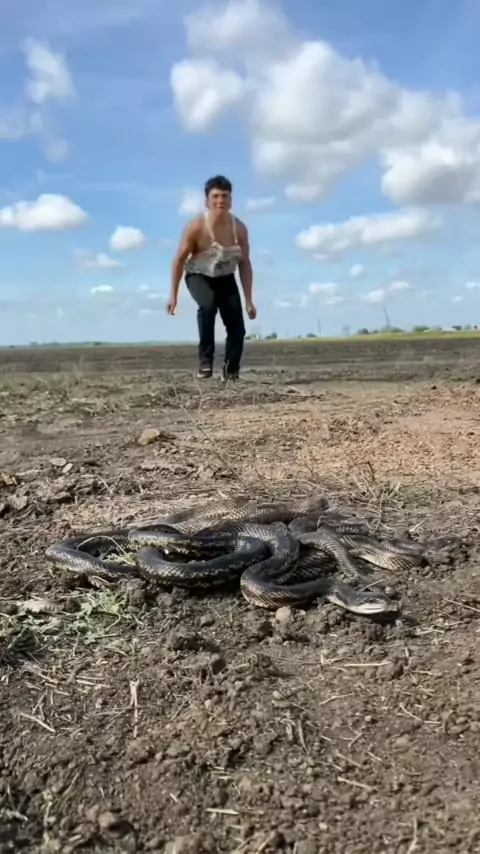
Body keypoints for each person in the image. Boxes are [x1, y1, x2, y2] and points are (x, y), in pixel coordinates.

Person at [167, 175, 257, 381]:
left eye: (225, 196)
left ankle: (231, 370)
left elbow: (245, 263)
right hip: (198, 275)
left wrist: (249, 300)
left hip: (225, 277)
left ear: (231, 200)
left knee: (237, 327)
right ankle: (205, 362)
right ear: (207, 201)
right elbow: (178, 261)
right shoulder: (196, 227)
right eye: (215, 196)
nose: (220, 201)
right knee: (207, 306)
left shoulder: (239, 229)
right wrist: (173, 296)